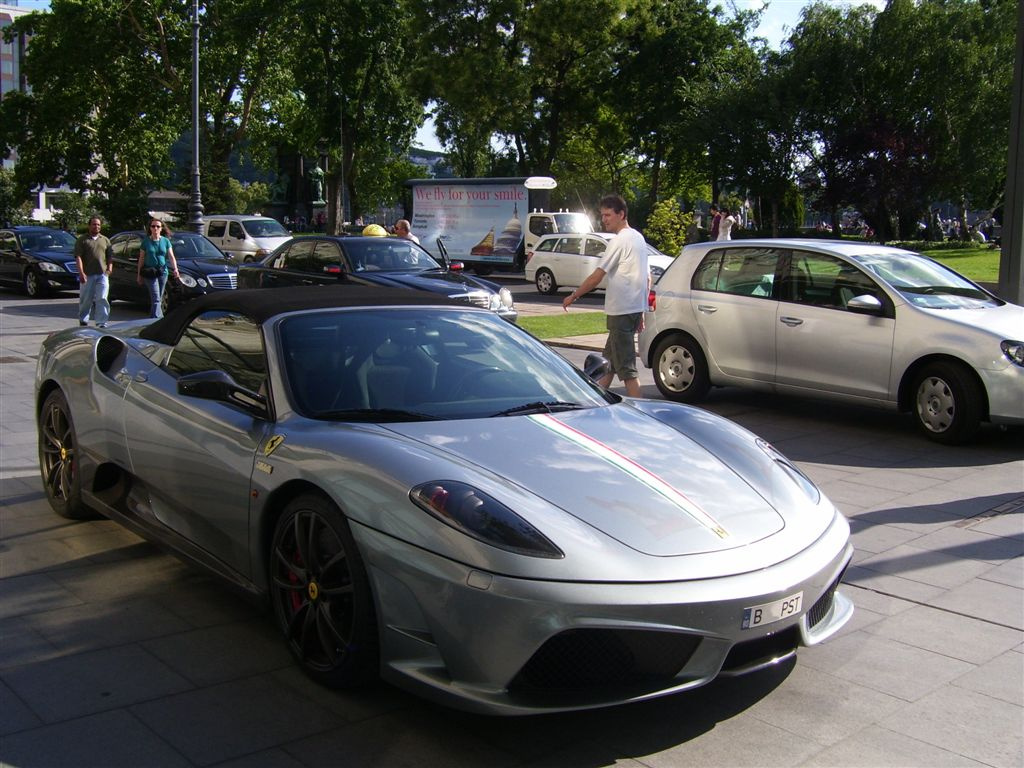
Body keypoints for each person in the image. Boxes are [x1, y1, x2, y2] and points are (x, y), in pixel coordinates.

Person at [562, 194, 649, 398]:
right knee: (607, 365)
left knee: (627, 370)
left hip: (621, 312)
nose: (605, 219)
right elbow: (647, 278)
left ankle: (641, 415)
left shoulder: (620, 241)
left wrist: (573, 296)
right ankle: (597, 402)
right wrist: (642, 311)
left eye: (608, 215)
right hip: (632, 310)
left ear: (622, 214)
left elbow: (597, 276)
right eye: (602, 215)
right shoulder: (638, 238)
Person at [74, 215, 114, 327]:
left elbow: (110, 256)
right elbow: (78, 257)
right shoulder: (82, 240)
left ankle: (101, 322)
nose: (96, 226)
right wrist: (81, 273)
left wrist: (109, 268)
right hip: (87, 275)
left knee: (102, 298)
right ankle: (83, 320)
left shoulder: (105, 240)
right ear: (89, 226)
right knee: (86, 299)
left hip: (102, 275)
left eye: (98, 224)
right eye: (94, 224)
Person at [136, 218, 180, 319]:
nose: (155, 228)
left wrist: (175, 269)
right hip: (150, 272)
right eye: (153, 226)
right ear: (150, 228)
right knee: (156, 299)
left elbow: (171, 256)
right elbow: (141, 259)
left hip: (162, 272)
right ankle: (158, 321)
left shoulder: (165, 241)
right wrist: (139, 275)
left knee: (158, 299)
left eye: (158, 226)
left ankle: (151, 321)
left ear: (161, 229)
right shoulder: (146, 242)